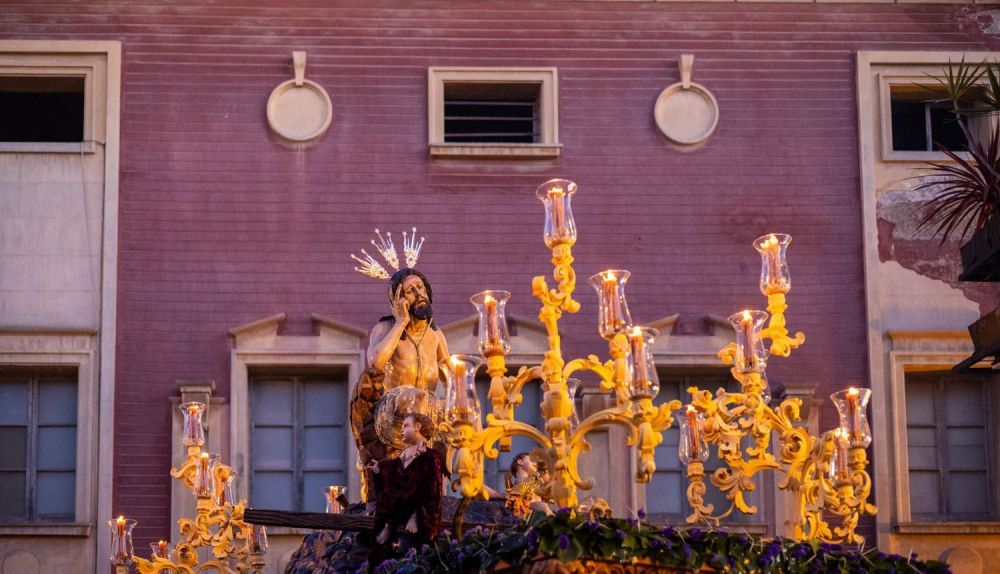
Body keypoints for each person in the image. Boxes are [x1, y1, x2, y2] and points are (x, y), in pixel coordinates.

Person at [350, 268, 450, 497]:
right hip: (391, 414)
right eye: (410, 291)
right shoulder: (385, 328)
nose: (419, 293)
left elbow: (451, 376)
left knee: (459, 413)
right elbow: (375, 362)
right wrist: (401, 322)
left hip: (426, 418)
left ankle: (462, 478)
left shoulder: (435, 335)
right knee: (417, 396)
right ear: (398, 300)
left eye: (420, 287)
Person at [367, 413, 444, 567]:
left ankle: (411, 517)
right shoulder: (404, 453)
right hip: (400, 500)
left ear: (418, 427)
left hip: (417, 501)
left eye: (406, 426)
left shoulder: (430, 455)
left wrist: (416, 516)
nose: (401, 430)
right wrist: (378, 469)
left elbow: (433, 487)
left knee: (418, 486)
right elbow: (393, 470)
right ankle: (389, 524)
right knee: (392, 492)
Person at [504, 451, 553, 519]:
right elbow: (515, 496)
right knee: (543, 506)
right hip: (529, 511)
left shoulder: (534, 480)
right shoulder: (521, 479)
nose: (535, 463)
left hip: (538, 512)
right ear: (520, 462)